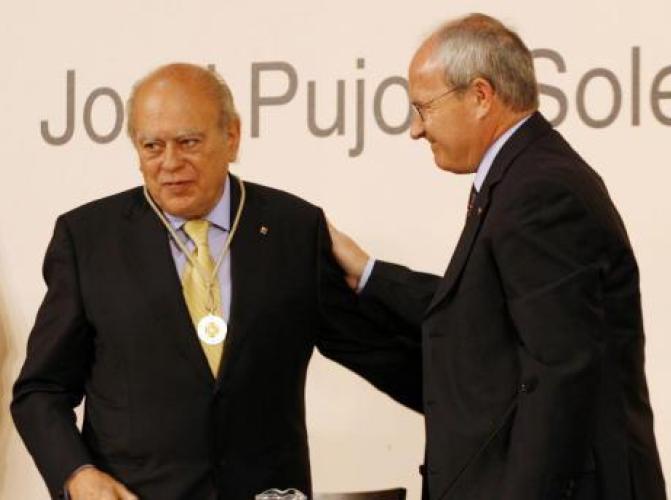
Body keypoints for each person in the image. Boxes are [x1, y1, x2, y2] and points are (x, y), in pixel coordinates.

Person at [11, 63, 421, 500]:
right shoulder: (88, 239)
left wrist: (468, 401)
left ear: (232, 136)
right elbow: (41, 389)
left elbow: (377, 352)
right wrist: (77, 474)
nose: (170, 163)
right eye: (152, 146)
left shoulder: (293, 229)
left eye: (188, 142)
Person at [328, 13, 666, 500]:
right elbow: (481, 312)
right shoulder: (522, 176)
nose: (416, 130)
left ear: (481, 96)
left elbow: (559, 373)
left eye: (423, 108)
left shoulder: (540, 190)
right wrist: (370, 274)